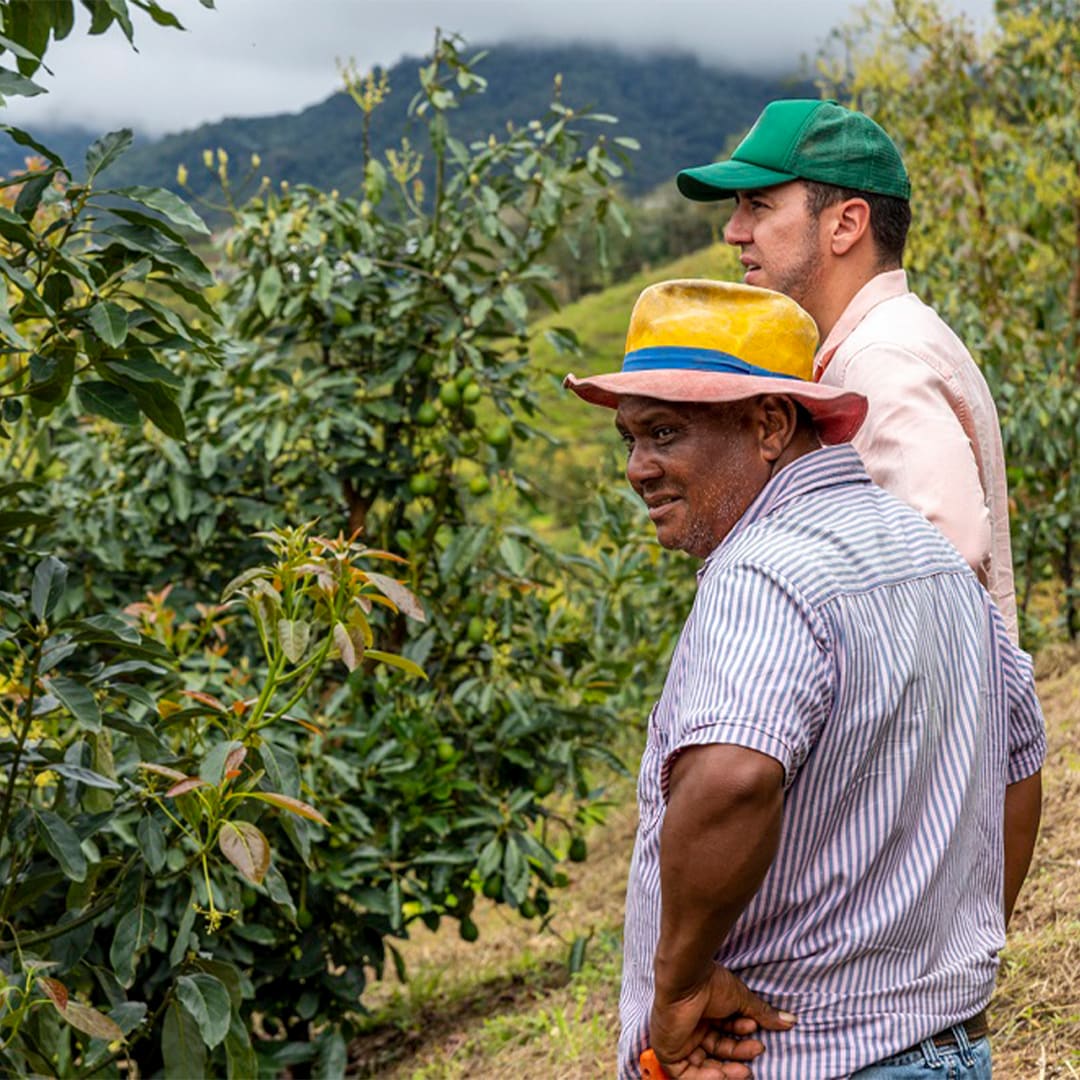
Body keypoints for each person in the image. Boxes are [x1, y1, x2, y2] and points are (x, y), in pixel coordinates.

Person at [564, 279, 1045, 1080]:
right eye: (630, 439)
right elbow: (1019, 767)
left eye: (665, 432)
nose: (638, 469)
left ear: (769, 424)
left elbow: (732, 777)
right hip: (948, 1048)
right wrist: (948, 971)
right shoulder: (928, 554)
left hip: (806, 1055)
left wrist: (679, 988)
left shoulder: (762, 574)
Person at [675, 98, 1019, 645]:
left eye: (759, 205)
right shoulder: (883, 342)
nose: (734, 231)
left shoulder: (881, 359)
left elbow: (946, 554)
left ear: (846, 225)